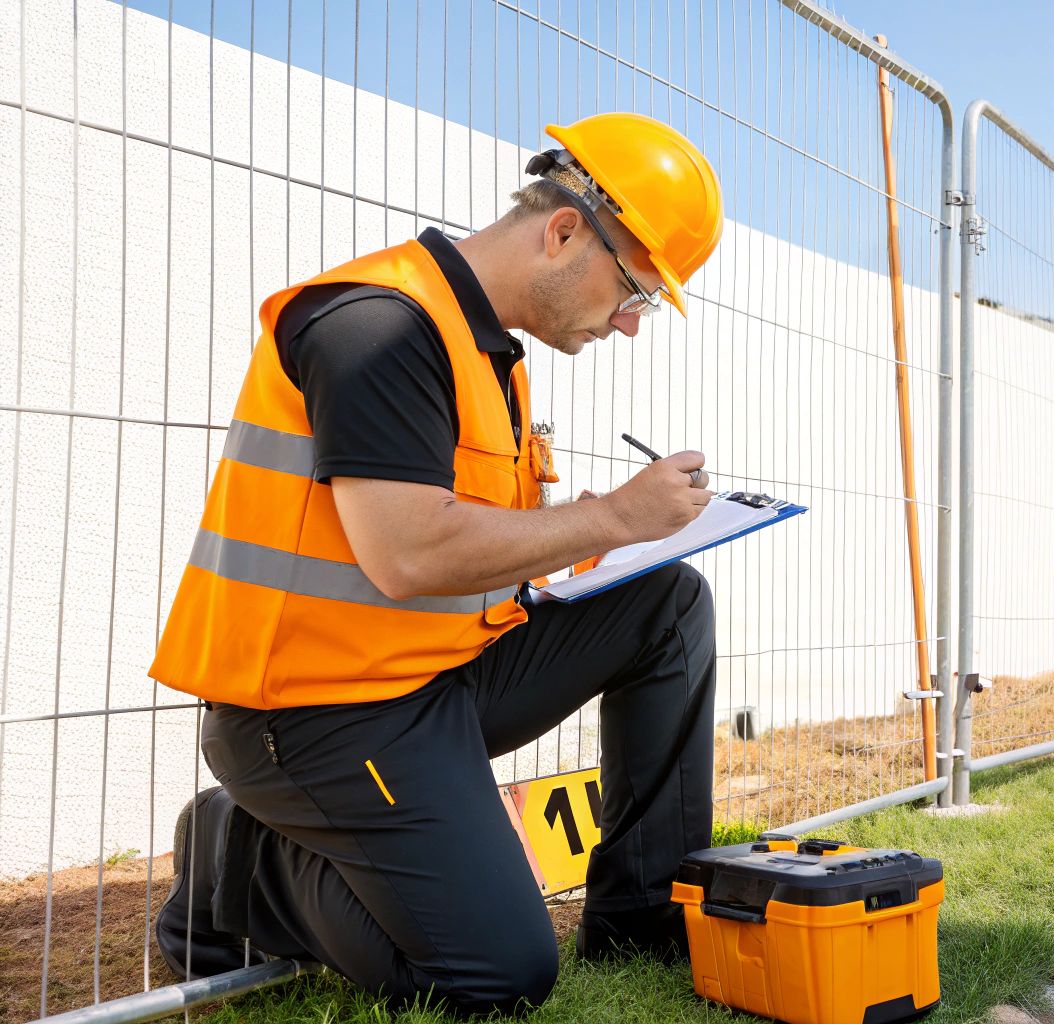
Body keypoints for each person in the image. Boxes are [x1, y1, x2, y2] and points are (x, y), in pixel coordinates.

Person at [146, 112, 725, 1016]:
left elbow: (471, 536)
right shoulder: (377, 325)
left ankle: (640, 919)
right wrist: (613, 512)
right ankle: (242, 856)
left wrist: (599, 532)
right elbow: (409, 551)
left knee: (668, 604)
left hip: (436, 677)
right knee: (495, 978)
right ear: (564, 231)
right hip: (315, 713)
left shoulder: (493, 355)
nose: (631, 324)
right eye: (637, 293)